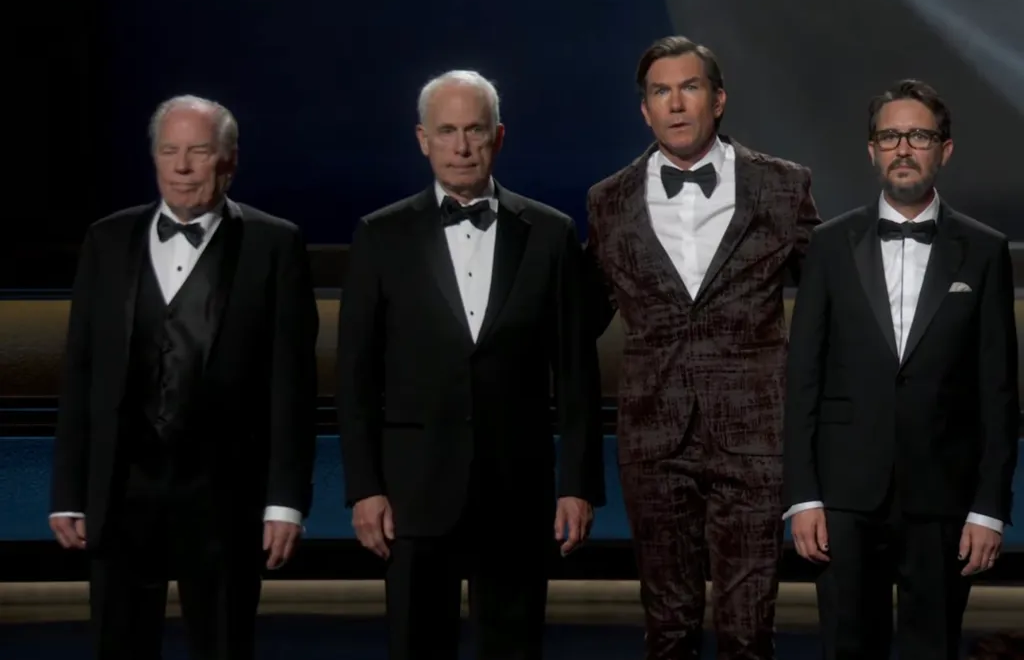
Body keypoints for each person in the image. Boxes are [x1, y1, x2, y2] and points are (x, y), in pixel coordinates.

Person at [336, 69, 605, 660]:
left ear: (498, 137)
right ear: (422, 139)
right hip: (412, 495)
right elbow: (356, 378)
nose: (461, 146)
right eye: (447, 131)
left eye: (475, 130)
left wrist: (577, 485)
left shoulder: (550, 234)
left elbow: (577, 374)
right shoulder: (380, 235)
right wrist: (364, 489)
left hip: (517, 491)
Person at [49, 95, 319, 660]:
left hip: (226, 495)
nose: (182, 166)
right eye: (169, 151)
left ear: (230, 160)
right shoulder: (106, 240)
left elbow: (292, 387)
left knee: (223, 644)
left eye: (198, 151)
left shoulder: (275, 244)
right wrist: (68, 493)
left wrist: (284, 502)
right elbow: (80, 374)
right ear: (153, 158)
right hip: (121, 490)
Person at [583, 36, 821, 659]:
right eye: (660, 92)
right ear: (645, 110)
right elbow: (579, 317)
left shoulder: (782, 186)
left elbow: (832, 303)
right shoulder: (609, 201)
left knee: (748, 632)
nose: (675, 103)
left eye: (689, 88)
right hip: (653, 439)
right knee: (668, 629)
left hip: (754, 437)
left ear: (717, 100)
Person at [783, 79, 1019, 659]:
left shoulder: (985, 250)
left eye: (919, 136)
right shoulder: (829, 245)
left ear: (945, 149)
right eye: (890, 136)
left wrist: (989, 508)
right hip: (844, 496)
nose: (904, 148)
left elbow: (997, 392)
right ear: (872, 150)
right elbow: (803, 378)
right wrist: (803, 497)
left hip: (943, 496)